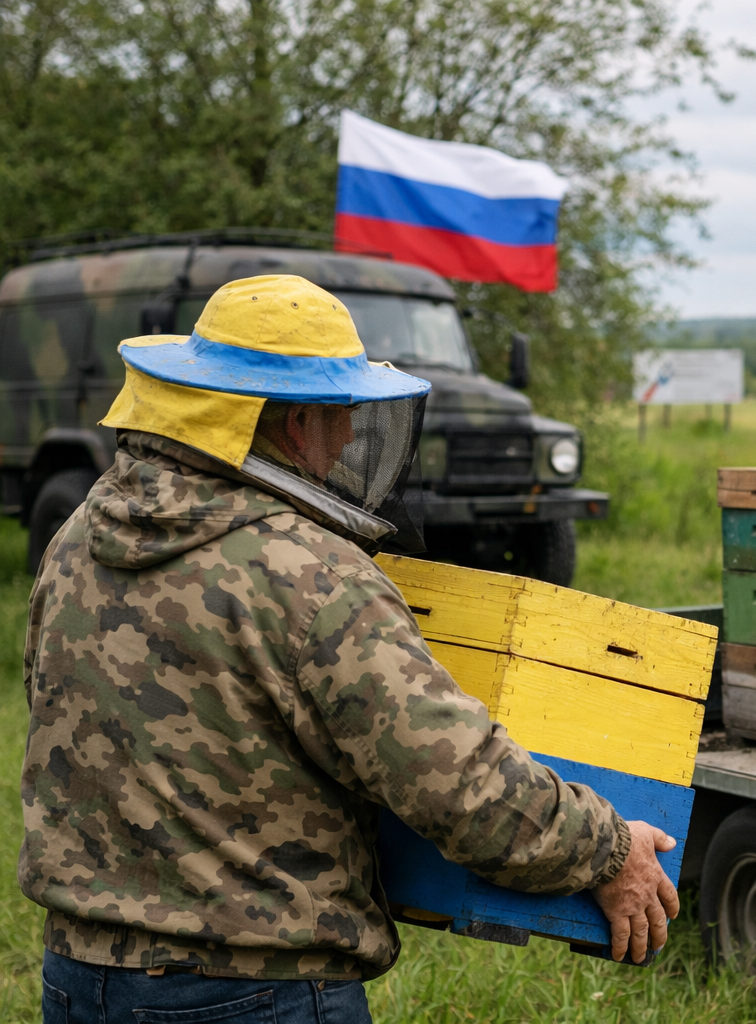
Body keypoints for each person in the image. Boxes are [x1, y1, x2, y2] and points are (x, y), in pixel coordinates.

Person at [20, 275, 677, 1024]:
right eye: (344, 418)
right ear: (300, 424)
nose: (347, 443)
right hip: (251, 989)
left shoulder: (78, 536)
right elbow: (459, 784)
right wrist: (606, 848)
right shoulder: (313, 575)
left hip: (78, 977)